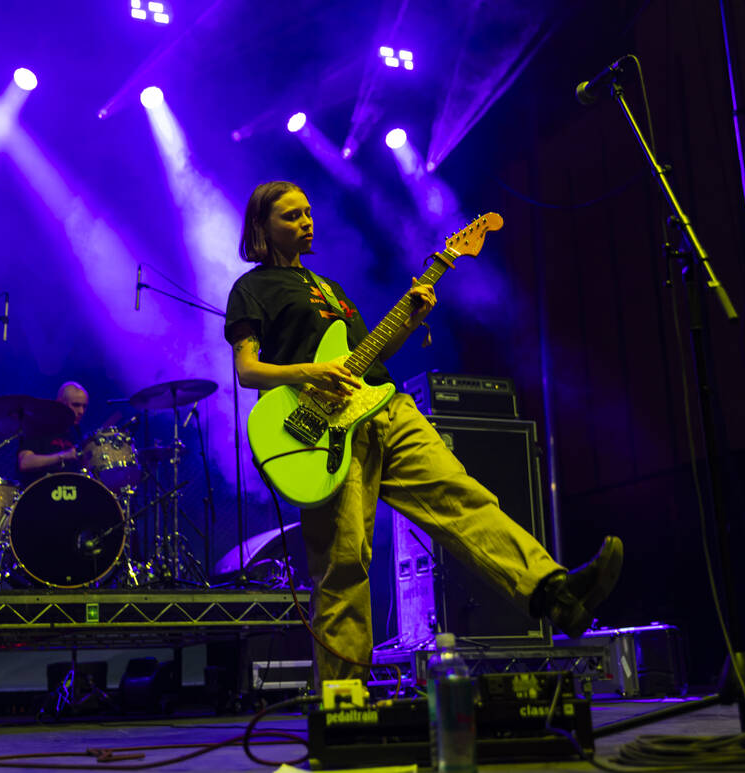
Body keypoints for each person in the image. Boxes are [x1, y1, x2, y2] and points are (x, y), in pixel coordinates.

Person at [224, 180, 624, 682]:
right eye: (291, 216)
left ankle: (556, 594)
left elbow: (367, 355)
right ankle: (344, 700)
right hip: (322, 430)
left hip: (387, 408)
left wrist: (410, 321)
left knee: (463, 497)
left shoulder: (329, 288)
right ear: (261, 227)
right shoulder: (251, 289)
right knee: (345, 561)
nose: (306, 222)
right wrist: (310, 373)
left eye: (308, 212)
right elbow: (248, 371)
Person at [17, 381, 88, 488]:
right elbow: (25, 463)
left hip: (71, 490)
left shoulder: (76, 431)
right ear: (60, 403)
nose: (81, 411)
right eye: (76, 405)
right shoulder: (39, 426)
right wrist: (63, 456)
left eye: (84, 406)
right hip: (41, 491)